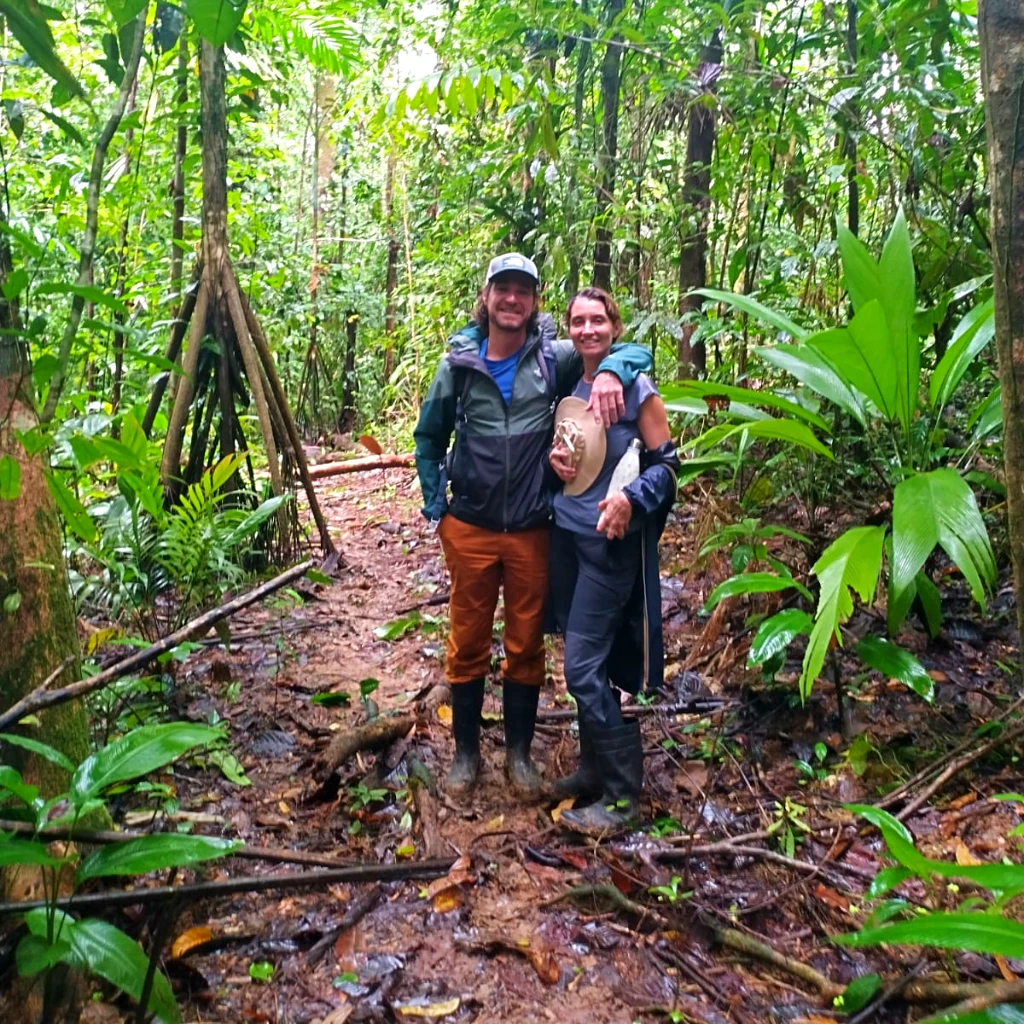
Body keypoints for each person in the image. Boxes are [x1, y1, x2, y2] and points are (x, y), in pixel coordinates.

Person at [414, 254, 653, 802]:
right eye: (504, 289)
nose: (513, 300)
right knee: (467, 641)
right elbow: (428, 438)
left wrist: (615, 369)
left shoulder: (553, 359)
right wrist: (438, 508)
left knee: (525, 643)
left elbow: (627, 351)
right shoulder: (458, 362)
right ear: (487, 294)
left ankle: (519, 755)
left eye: (524, 291)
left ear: (534, 300)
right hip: (469, 526)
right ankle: (466, 755)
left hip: (530, 528)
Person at [547, 287, 679, 835]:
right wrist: (558, 462)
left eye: (597, 320)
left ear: (614, 326)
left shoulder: (636, 385)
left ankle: (624, 799)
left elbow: (669, 466)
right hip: (568, 539)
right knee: (587, 664)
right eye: (578, 321)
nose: (587, 330)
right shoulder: (569, 379)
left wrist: (630, 499)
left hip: (610, 548)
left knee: (580, 669)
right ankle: (594, 768)